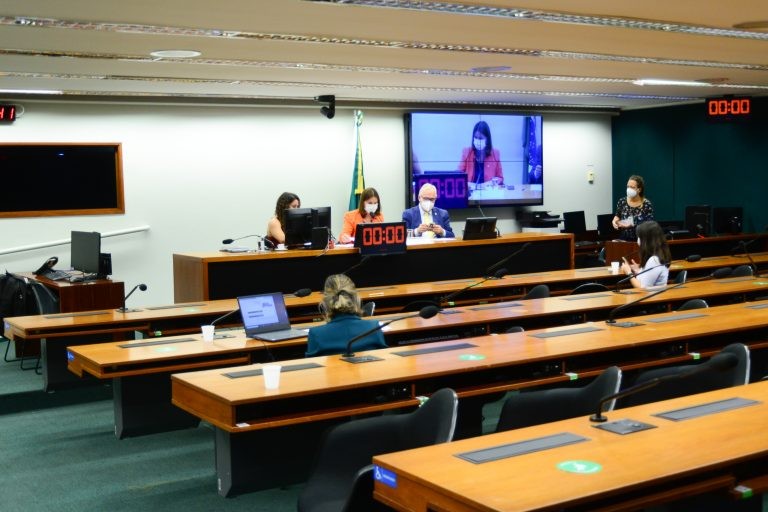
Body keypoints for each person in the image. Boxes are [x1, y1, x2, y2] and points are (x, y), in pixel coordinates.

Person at [305, 274, 387, 357]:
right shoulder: (374, 327)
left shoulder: (316, 334)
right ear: (356, 298)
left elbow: (310, 367)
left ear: (325, 301)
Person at [620, 220, 670, 289]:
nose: (638, 239)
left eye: (639, 237)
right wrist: (640, 271)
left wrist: (628, 272)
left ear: (646, 240)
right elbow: (649, 278)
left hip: (651, 298)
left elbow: (642, 288)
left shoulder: (654, 260)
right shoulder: (658, 255)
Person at [457, 120, 504, 187]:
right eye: (475, 138)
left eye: (480, 138)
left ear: (487, 140)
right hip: (470, 193)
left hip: (488, 194)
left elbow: (500, 178)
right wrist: (469, 185)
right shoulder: (466, 152)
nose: (477, 141)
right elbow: (458, 175)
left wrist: (492, 183)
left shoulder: (495, 154)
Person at [612, 175, 654, 241]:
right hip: (624, 239)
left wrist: (632, 223)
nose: (629, 189)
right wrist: (614, 221)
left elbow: (648, 224)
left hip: (641, 240)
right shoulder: (622, 201)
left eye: (632, 187)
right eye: (628, 186)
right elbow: (617, 216)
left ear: (639, 190)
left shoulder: (646, 204)